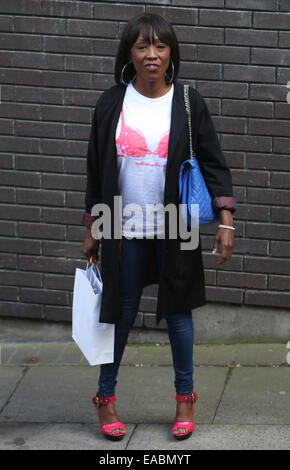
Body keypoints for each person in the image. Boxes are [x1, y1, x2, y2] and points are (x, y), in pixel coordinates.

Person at [81, 13, 237, 442]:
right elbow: (97, 169)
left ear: (172, 54)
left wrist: (226, 221)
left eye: (160, 46)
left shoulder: (189, 101)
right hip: (120, 224)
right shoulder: (111, 102)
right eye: (142, 46)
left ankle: (185, 400)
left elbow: (213, 163)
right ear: (129, 54)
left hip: (179, 223)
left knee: (179, 314)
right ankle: (105, 399)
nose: (152, 54)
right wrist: (93, 225)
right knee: (119, 315)